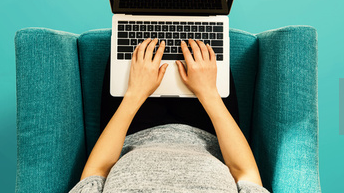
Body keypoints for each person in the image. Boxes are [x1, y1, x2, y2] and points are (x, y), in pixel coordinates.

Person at [68, 37, 269, 193]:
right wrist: (209, 94)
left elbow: (96, 174)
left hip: (130, 127)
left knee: (141, 9)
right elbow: (246, 174)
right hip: (210, 126)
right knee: (199, 11)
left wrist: (135, 94)